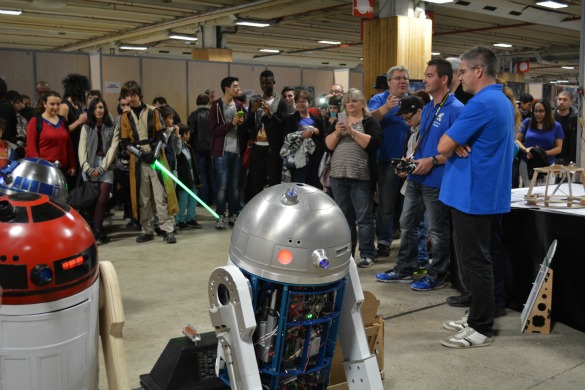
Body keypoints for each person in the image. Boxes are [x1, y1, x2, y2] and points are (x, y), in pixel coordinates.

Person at [437, 45, 515, 348]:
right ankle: (477, 316)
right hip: (480, 192)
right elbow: (454, 143)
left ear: (478, 70)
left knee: (476, 262)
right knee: (479, 259)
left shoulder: (480, 104)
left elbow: (443, 145)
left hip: (472, 194)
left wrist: (454, 142)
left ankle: (480, 326)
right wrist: (457, 142)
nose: (460, 77)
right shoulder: (500, 100)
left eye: (463, 71)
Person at [376, 59, 463, 289]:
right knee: (407, 223)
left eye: (430, 75)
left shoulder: (456, 109)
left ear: (444, 79)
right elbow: (421, 142)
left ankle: (437, 274)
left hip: (436, 178)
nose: (424, 79)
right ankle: (404, 269)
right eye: (424, 75)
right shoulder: (429, 109)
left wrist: (433, 160)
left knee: (437, 229)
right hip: (416, 177)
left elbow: (461, 150)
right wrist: (409, 161)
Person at [324, 88, 383, 267]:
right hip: (338, 176)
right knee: (344, 218)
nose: (350, 104)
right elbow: (327, 147)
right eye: (348, 101)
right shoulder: (337, 121)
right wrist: (336, 132)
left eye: (355, 100)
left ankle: (367, 254)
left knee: (364, 218)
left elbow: (374, 144)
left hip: (361, 177)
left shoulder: (369, 121)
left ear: (362, 103)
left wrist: (352, 131)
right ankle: (347, 255)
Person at [119, 80, 179, 244]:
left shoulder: (153, 112)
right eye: (127, 95)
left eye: (133, 94)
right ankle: (147, 229)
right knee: (143, 198)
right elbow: (124, 143)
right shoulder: (125, 117)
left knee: (161, 195)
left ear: (139, 94)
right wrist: (141, 155)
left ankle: (168, 229)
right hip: (137, 162)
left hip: (156, 157)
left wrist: (153, 153)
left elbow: (161, 135)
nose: (130, 98)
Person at [368, 65, 411, 259]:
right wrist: (386, 108)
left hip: (411, 161)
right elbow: (368, 120)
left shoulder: (412, 100)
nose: (402, 81)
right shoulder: (379, 99)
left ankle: (408, 242)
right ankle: (384, 242)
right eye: (398, 78)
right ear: (389, 82)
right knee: (386, 204)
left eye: (405, 78)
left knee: (409, 204)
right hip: (387, 160)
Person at [78, 97, 120, 244]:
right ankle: (98, 230)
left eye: (101, 107)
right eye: (96, 108)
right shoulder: (86, 127)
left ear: (105, 109)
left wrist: (102, 167)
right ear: (92, 110)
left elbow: (114, 148)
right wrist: (87, 168)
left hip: (106, 165)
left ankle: (95, 232)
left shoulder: (113, 126)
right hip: (89, 164)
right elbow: (82, 149)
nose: (99, 110)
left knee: (103, 199)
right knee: (92, 199)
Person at [244, 70, 289, 202]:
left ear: (273, 82)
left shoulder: (281, 102)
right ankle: (256, 210)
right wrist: (252, 112)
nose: (265, 85)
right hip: (257, 147)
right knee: (256, 182)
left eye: (268, 82)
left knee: (274, 181)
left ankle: (273, 208)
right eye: (263, 83)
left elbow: (283, 125)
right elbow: (248, 125)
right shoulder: (254, 101)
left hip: (273, 149)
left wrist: (270, 114)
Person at [210, 76, 245, 229]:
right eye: (235, 86)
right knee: (222, 186)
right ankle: (219, 216)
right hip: (222, 152)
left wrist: (242, 124)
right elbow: (214, 130)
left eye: (238, 86)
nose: (238, 89)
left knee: (235, 186)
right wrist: (231, 124)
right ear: (227, 88)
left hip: (236, 151)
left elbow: (243, 129)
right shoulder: (216, 106)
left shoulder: (239, 105)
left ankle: (233, 214)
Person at [25, 91, 77, 184]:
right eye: (52, 104)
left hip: (63, 169)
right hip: (44, 170)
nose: (55, 107)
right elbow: (32, 149)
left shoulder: (63, 121)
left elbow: (68, 145)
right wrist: (39, 168)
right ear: (45, 104)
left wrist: (72, 165)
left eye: (58, 104)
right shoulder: (35, 121)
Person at [281, 89, 324, 188]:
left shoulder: (317, 119)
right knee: (299, 185)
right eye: (298, 102)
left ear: (309, 103)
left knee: (313, 185)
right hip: (298, 159)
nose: (301, 104)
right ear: (296, 103)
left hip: (315, 159)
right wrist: (301, 136)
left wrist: (317, 132)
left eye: (303, 101)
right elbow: (285, 138)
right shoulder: (291, 119)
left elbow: (323, 138)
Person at [516, 99, 563, 186]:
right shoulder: (527, 122)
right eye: (535, 111)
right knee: (528, 190)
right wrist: (525, 150)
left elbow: (558, 148)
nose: (537, 114)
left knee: (545, 192)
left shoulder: (556, 126)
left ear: (547, 111)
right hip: (527, 162)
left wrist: (542, 153)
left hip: (547, 164)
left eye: (541, 111)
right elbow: (517, 140)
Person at [188, 93, 214, 207]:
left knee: (201, 175)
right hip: (212, 149)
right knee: (212, 174)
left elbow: (190, 132)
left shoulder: (194, 115)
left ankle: (203, 199)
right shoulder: (212, 114)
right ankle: (213, 199)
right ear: (208, 103)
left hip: (198, 149)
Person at [175, 124, 202, 230]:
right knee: (183, 200)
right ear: (184, 134)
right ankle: (180, 220)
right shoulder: (177, 148)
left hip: (191, 179)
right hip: (183, 180)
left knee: (193, 198)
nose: (190, 134)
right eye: (188, 133)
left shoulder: (188, 147)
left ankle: (190, 218)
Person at [554, 91, 578, 165]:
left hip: (570, 158)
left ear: (571, 102)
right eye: (559, 99)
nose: (561, 102)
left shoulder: (575, 119)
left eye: (565, 100)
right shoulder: (550, 117)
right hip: (553, 156)